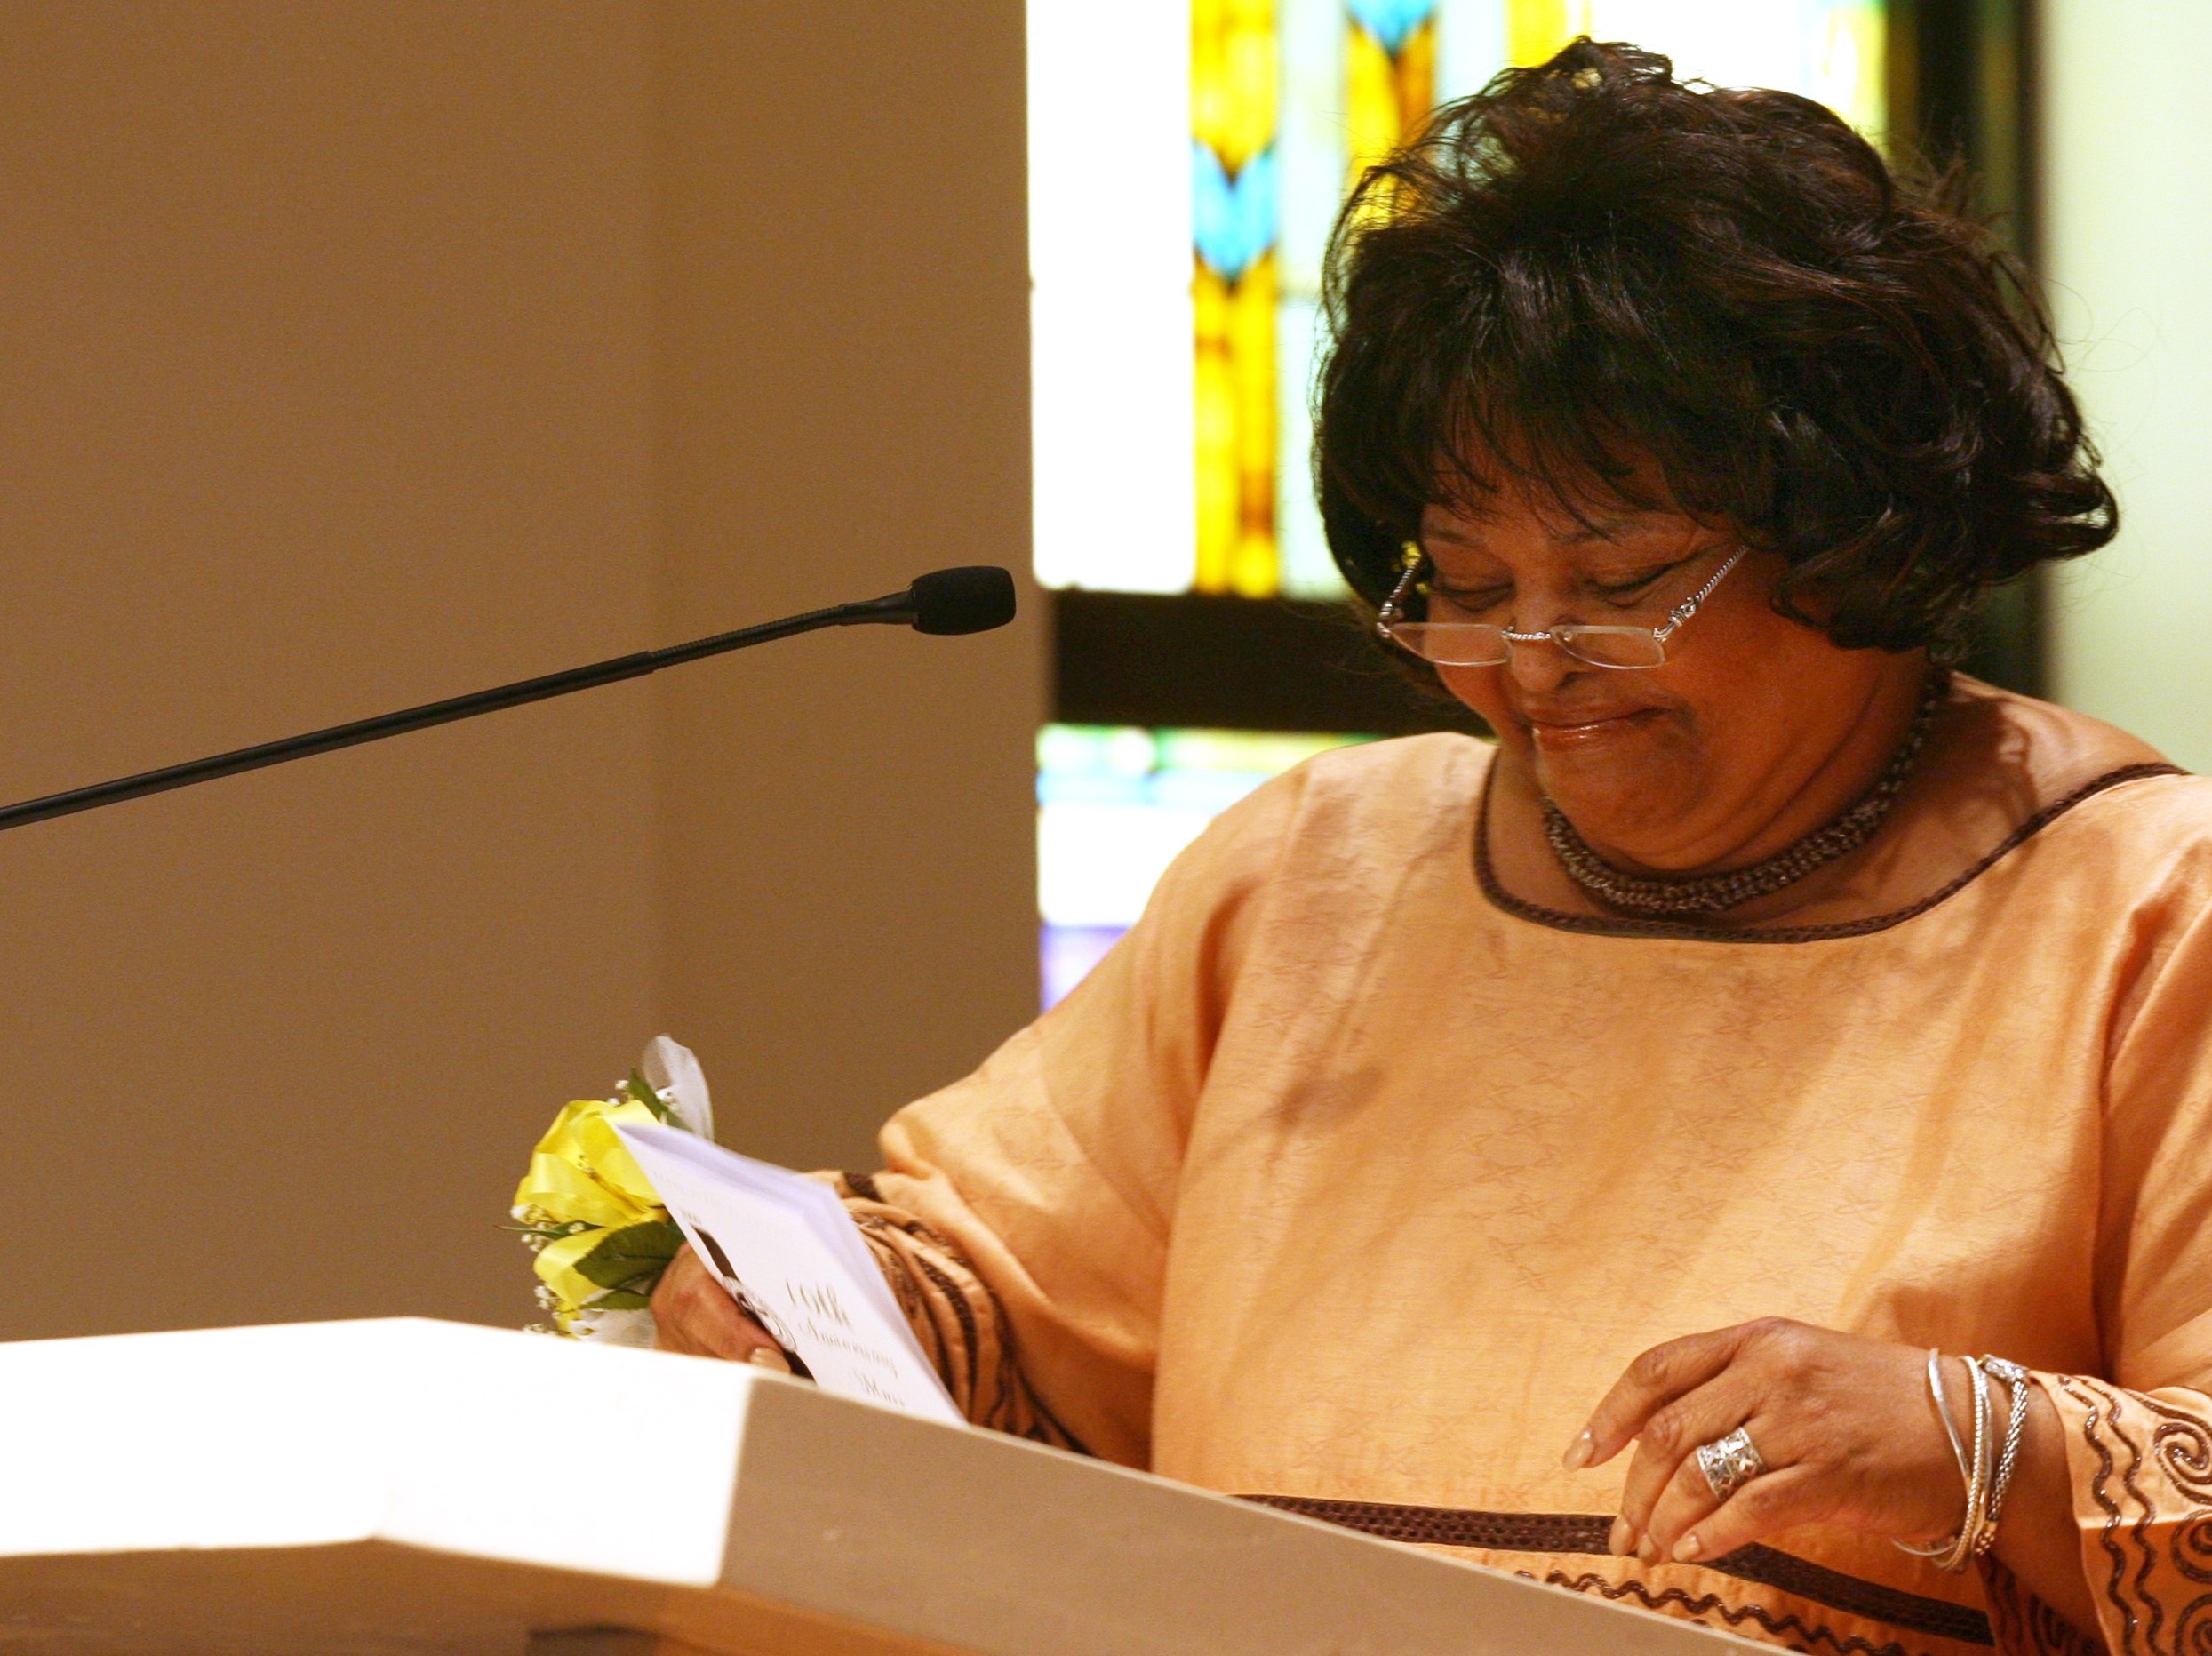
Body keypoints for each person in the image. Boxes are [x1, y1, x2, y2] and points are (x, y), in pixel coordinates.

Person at [656, 40, 2212, 1656]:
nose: (1531, 662)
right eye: (1465, 586)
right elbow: (1005, 1291)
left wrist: (1988, 1450)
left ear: (1862, 531)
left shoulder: (2141, 907)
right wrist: (801, 1306)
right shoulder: (1311, 879)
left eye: (1621, 583)